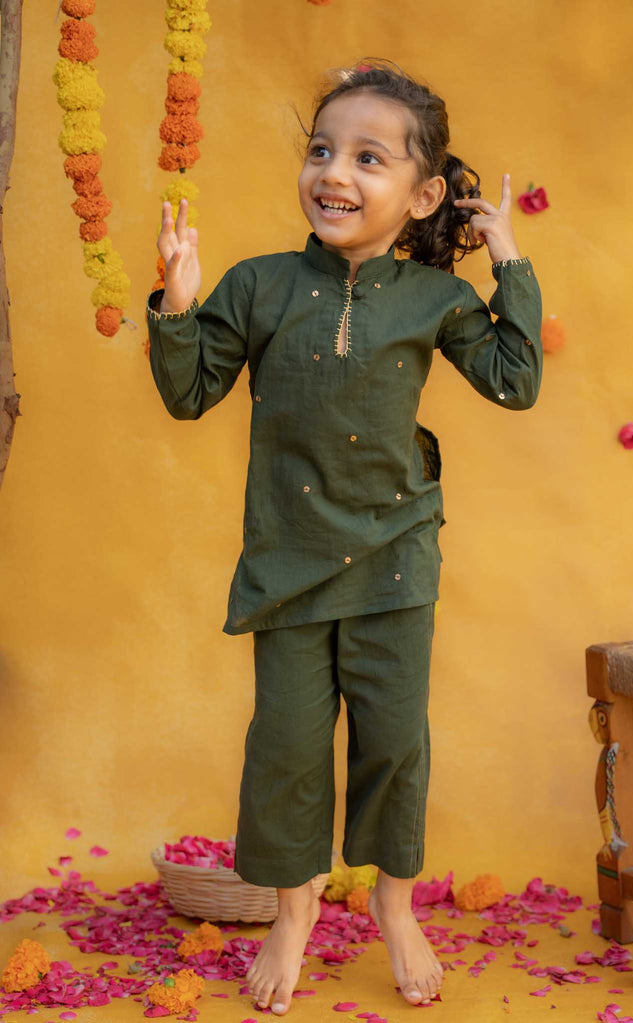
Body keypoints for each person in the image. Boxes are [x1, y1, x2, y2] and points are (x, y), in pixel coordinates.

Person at [146, 58, 543, 1017]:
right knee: (285, 748)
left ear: (423, 195)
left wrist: (510, 263)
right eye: (322, 150)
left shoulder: (434, 298)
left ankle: (394, 909)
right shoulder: (260, 284)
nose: (334, 172)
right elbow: (189, 392)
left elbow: (514, 379)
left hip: (397, 557)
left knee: (393, 743)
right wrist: (178, 301)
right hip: (287, 563)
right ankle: (294, 912)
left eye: (369, 158)